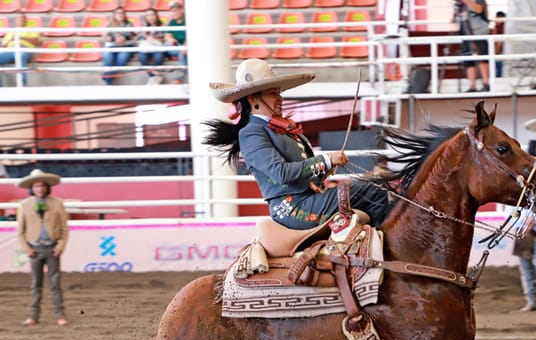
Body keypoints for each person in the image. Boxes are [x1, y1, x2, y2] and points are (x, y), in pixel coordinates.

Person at [204, 59, 389, 230]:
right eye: (272, 93)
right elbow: (281, 173)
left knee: (372, 187)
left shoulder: (275, 128)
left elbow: (299, 172)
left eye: (278, 92)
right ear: (253, 99)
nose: (280, 98)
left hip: (306, 200)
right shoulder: (251, 132)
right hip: (292, 208)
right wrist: (326, 160)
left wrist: (325, 168)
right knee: (374, 190)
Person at [16, 169, 70, 327]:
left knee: (55, 283)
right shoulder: (25, 205)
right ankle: (33, 316)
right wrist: (27, 249)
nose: (39, 189)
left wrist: (60, 246)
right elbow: (20, 231)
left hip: (52, 248)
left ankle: (60, 315)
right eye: (36, 186)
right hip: (34, 249)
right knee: (36, 284)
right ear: (31, 188)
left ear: (47, 187)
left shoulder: (57, 203)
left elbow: (64, 228)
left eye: (42, 185)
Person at [455, 0, 491, 92]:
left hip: (479, 33)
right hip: (465, 34)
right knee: (468, 60)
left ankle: (486, 84)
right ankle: (472, 86)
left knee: (482, 58)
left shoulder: (479, 1)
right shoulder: (459, 3)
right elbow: (456, 18)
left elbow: (479, 10)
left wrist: (467, 2)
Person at [0, 13, 41, 86]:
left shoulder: (31, 30)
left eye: (23, 18)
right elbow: (3, 46)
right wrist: (11, 40)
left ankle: (22, 82)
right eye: (19, 19)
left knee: (21, 55)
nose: (21, 20)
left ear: (26, 20)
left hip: (24, 49)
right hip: (11, 50)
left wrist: (21, 38)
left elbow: (36, 42)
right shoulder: (10, 32)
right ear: (15, 20)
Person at [101, 6, 135, 85]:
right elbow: (105, 36)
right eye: (118, 13)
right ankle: (109, 83)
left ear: (125, 14)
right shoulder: (109, 24)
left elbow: (127, 36)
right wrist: (113, 38)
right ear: (114, 14)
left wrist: (118, 38)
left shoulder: (129, 24)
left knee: (121, 61)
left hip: (125, 46)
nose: (120, 15)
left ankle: (106, 75)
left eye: (122, 13)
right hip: (111, 45)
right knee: (108, 60)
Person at [137, 8, 166, 85]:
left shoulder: (162, 26)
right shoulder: (143, 26)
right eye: (148, 15)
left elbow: (164, 38)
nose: (150, 17)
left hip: (157, 48)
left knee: (159, 57)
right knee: (141, 57)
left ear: (156, 15)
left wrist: (154, 39)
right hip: (146, 48)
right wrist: (145, 37)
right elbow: (138, 38)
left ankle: (153, 77)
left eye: (152, 15)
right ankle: (154, 76)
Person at [164, 1, 187, 80]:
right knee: (166, 45)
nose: (174, 13)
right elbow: (167, 35)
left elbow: (192, 37)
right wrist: (171, 39)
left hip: (187, 47)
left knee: (182, 53)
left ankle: (179, 78)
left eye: (176, 10)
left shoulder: (188, 20)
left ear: (182, 10)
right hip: (177, 46)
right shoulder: (172, 21)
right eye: (172, 11)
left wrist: (185, 46)